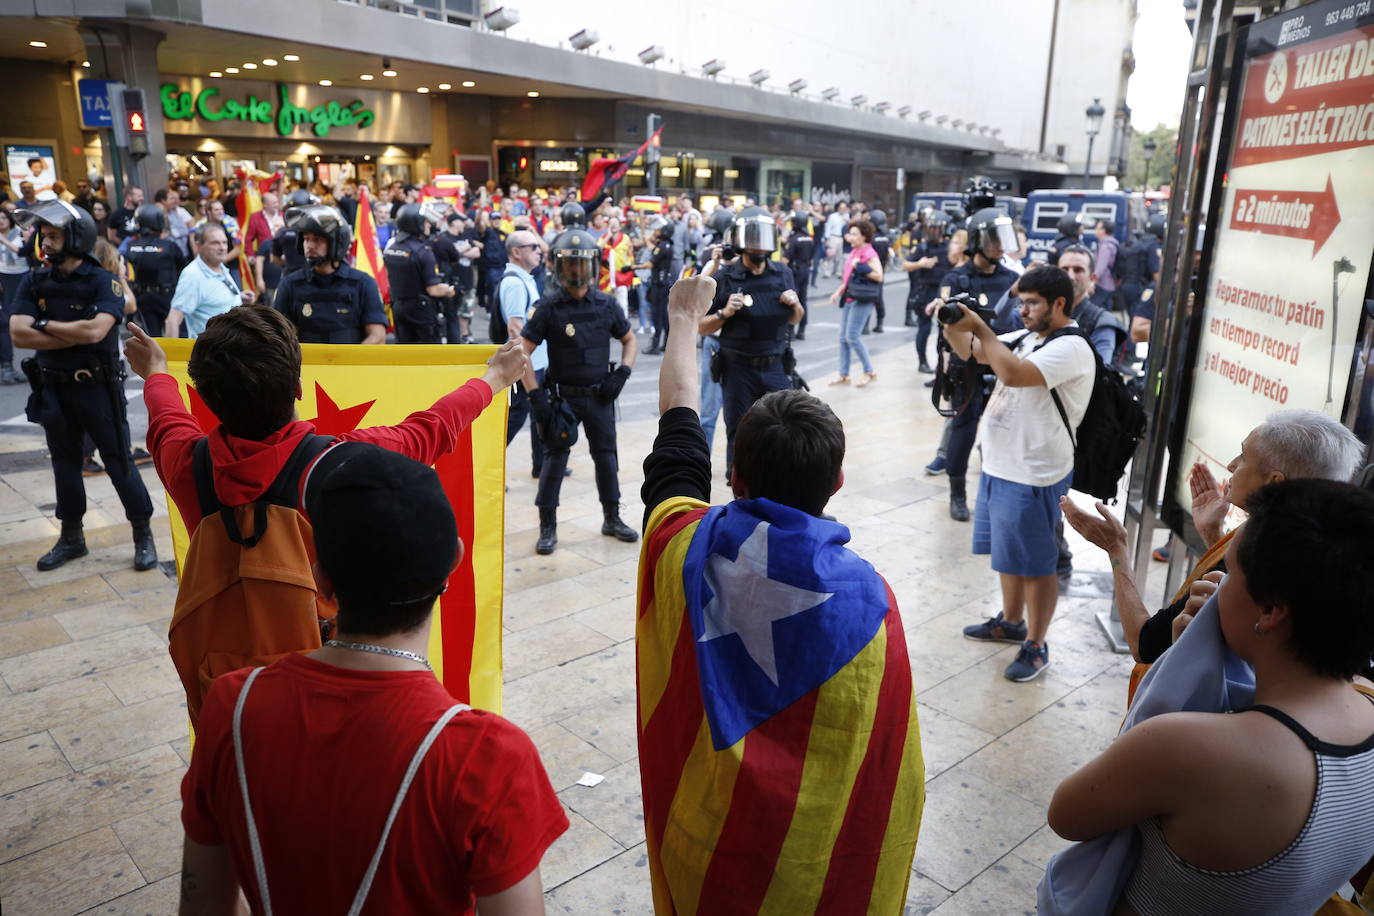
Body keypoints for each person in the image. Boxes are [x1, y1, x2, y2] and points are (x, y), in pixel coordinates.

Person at [635, 265, 923, 914]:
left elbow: (678, 422)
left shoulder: (686, 544)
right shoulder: (870, 601)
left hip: (703, 858)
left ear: (733, 476)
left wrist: (683, 320)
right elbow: (885, 767)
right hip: (815, 875)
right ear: (838, 480)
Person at [176, 439, 567, 914]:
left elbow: (203, 906)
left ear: (320, 580)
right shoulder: (487, 757)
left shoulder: (231, 706)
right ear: (455, 561)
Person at [1048, 478, 1374, 916]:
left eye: (1230, 573)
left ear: (1270, 610)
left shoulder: (1185, 747)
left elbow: (1067, 816)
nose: (1215, 586)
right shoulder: (1366, 703)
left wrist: (1181, 670)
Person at [1063, 409, 1364, 666]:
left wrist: (1116, 549)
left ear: (1274, 483)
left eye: (1244, 457)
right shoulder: (1320, 552)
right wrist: (1212, 535)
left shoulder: (1259, 551)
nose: (1232, 465)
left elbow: (1145, 645)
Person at [945, 264, 1095, 682]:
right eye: (1021, 301)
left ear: (1059, 303)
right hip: (1000, 465)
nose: (1023, 311)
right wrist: (952, 322)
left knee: (1037, 564)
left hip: (1035, 473)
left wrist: (981, 327)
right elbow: (970, 351)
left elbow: (1010, 371)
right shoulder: (1028, 337)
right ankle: (1010, 621)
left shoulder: (1071, 347)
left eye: (1031, 303)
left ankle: (1036, 643)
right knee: (1008, 554)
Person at [7, 201, 157, 572]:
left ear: (77, 237)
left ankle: (142, 534)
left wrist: (42, 325)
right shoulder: (35, 279)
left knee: (119, 460)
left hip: (98, 389)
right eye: (45, 235)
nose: (47, 242)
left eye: (55, 235)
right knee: (64, 463)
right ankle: (71, 537)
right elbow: (17, 333)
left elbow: (95, 331)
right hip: (53, 389)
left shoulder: (101, 281)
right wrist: (62, 333)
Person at [520, 227, 639, 555]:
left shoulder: (606, 304)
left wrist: (624, 372)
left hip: (600, 397)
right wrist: (535, 397)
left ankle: (611, 518)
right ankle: (548, 526)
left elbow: (629, 339)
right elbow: (522, 352)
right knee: (554, 461)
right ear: (559, 267)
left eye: (581, 262)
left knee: (606, 459)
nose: (575, 269)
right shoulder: (548, 307)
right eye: (569, 263)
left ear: (592, 265)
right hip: (563, 401)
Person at [924, 208, 1021, 520]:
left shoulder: (1013, 280)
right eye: (994, 239)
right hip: (968, 369)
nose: (1000, 246)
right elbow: (948, 325)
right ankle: (957, 493)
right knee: (963, 432)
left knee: (1006, 432)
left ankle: (999, 494)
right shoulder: (957, 278)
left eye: (1002, 239)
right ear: (978, 241)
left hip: (1004, 367)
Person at [698, 207, 803, 472]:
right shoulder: (726, 277)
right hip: (737, 368)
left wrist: (795, 304)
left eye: (762, 238)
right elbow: (700, 327)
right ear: (739, 240)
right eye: (752, 238)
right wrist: (725, 313)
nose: (758, 245)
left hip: (775, 365)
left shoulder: (782, 273)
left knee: (782, 428)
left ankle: (777, 485)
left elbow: (795, 319)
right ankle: (740, 489)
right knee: (739, 431)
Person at [273, 204, 387, 344]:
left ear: (337, 243)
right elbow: (277, 336)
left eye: (317, 240)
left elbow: (378, 336)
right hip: (306, 364)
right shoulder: (290, 284)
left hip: (349, 364)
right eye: (306, 239)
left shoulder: (363, 283)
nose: (309, 245)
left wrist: (350, 363)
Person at [498, 230, 555, 479]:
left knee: (536, 414)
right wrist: (524, 363)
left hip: (535, 362)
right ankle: (485, 462)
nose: (538, 250)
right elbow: (515, 328)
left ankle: (540, 464)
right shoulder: (514, 283)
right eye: (533, 247)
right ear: (516, 252)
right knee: (517, 416)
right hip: (525, 364)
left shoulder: (526, 278)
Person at [166, 222, 255, 339]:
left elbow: (211, 298)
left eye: (224, 242)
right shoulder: (193, 275)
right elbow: (173, 319)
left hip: (232, 349)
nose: (222, 248)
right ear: (198, 246)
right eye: (215, 243)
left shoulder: (220, 267)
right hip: (211, 354)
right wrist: (170, 355)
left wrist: (239, 297)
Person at [383, 203, 456, 343]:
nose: (429, 225)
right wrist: (450, 290)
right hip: (420, 311)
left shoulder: (392, 248)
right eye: (426, 221)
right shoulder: (423, 252)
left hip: (398, 308)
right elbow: (433, 289)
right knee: (428, 356)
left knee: (405, 353)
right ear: (416, 224)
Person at [826, 218, 884, 386]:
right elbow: (848, 278)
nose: (850, 237)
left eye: (854, 234)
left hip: (863, 299)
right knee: (843, 338)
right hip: (851, 296)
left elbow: (879, 276)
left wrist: (861, 266)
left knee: (852, 336)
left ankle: (869, 371)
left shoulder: (869, 253)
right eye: (850, 233)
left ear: (864, 236)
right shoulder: (854, 251)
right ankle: (844, 374)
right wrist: (838, 292)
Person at [1055, 244, 1129, 366]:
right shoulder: (1039, 312)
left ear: (1092, 278)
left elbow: (1099, 372)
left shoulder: (1102, 323)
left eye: (1078, 270)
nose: (1070, 276)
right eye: (1065, 269)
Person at [123, 203, 185, 338]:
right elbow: (182, 267)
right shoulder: (169, 246)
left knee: (152, 339)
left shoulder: (131, 246)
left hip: (143, 298)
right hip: (167, 297)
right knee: (178, 336)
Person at [903, 211, 950, 374]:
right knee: (924, 328)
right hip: (926, 292)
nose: (933, 232)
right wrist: (920, 264)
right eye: (931, 228)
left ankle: (941, 365)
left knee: (944, 332)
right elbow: (905, 265)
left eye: (937, 228)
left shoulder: (949, 247)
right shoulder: (923, 247)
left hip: (944, 293)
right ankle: (922, 362)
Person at [0, 208, 27, 384]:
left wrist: (4, 241)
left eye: (3, 217)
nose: (0, 221)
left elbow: (23, 252)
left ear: (9, 219)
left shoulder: (20, 233)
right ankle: (6, 367)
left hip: (21, 276)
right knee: (4, 321)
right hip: (3, 278)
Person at [244, 190, 285, 306]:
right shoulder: (256, 217)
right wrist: (250, 255)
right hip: (265, 259)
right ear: (265, 204)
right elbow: (248, 239)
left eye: (277, 202)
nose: (276, 205)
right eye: (273, 203)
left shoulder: (283, 215)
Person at [641, 217, 673, 355]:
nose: (656, 231)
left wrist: (632, 267)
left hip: (659, 285)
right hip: (661, 284)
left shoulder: (663, 246)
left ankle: (655, 345)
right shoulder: (665, 245)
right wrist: (646, 238)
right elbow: (654, 250)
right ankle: (667, 343)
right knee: (663, 315)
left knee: (657, 315)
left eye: (659, 229)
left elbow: (652, 262)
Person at [781, 211, 815, 340]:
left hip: (795, 273)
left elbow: (785, 260)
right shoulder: (809, 239)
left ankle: (791, 331)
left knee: (792, 300)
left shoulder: (794, 239)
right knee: (803, 300)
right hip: (805, 270)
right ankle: (802, 330)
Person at [1092, 218, 1120, 305]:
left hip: (1103, 283)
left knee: (1096, 309)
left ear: (1103, 230)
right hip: (1110, 282)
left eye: (1097, 228)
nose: (1095, 231)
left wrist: (1093, 282)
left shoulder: (1106, 246)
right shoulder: (1112, 243)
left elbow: (1101, 266)